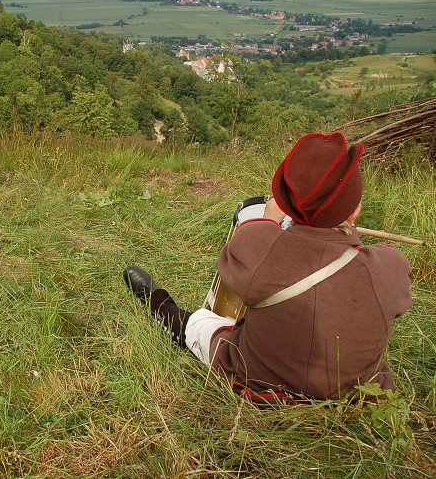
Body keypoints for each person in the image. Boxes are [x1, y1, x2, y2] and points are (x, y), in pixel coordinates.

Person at [124, 132, 413, 401]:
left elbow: (251, 238)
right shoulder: (390, 266)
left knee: (201, 322)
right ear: (355, 210)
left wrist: (270, 216)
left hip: (261, 383)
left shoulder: (260, 249)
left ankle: (157, 303)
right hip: (352, 393)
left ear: (287, 205)